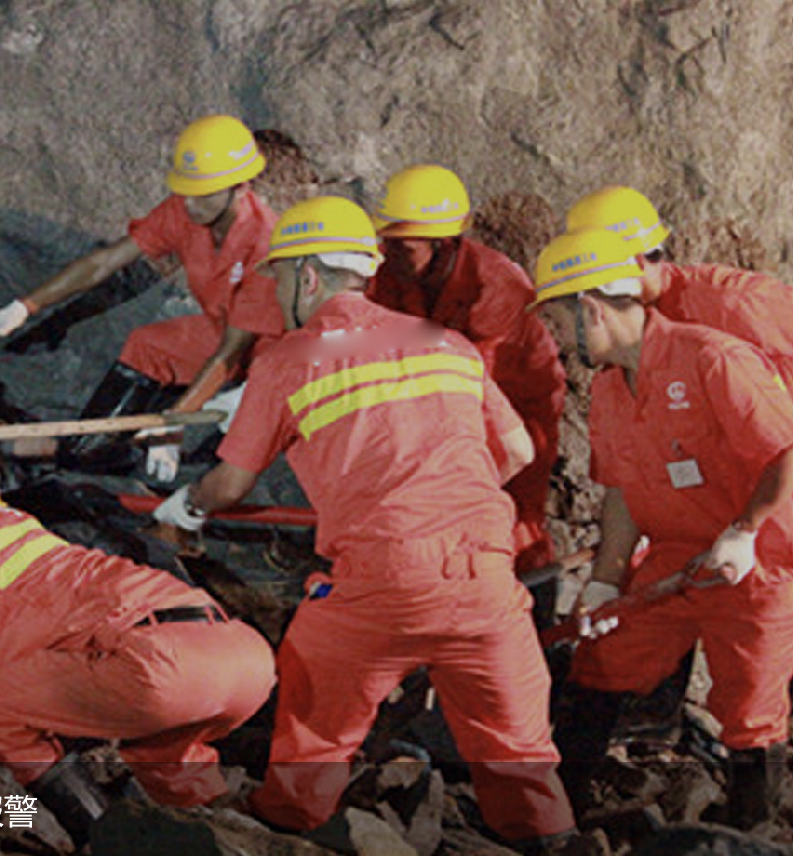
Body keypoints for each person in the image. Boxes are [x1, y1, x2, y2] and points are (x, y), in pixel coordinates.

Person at [155, 196, 587, 855]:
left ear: (307, 276)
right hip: (485, 579)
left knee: (315, 721)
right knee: (520, 753)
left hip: (380, 580)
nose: (278, 293)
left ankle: (287, 827)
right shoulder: (446, 343)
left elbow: (231, 483)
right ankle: (555, 843)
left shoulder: (289, 359)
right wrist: (443, 499)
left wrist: (183, 508)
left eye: (280, 277)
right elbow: (519, 452)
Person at [530, 228, 793, 828]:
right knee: (605, 660)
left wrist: (744, 530)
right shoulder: (610, 388)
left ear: (591, 308)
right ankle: (555, 816)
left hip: (762, 561)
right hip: (680, 553)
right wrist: (607, 582)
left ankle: (749, 832)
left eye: (559, 322)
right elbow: (622, 491)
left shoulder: (712, 358)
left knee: (750, 705)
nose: (558, 339)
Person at [0, 443, 275, 845]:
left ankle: (96, 838)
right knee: (163, 759)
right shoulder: (25, 536)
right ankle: (229, 837)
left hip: (164, 662)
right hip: (243, 659)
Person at [565, 185, 793, 574]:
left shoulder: (728, 301)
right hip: (730, 461)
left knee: (783, 570)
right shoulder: (631, 324)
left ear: (631, 260)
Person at [0, 114, 285, 481]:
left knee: (220, 443)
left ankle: (181, 473)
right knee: (147, 346)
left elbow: (231, 353)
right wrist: (25, 306)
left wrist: (175, 421)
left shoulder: (265, 246)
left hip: (272, 355)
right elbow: (105, 261)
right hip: (223, 330)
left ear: (241, 187)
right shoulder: (184, 211)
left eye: (204, 194)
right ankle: (89, 452)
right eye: (187, 191)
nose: (191, 205)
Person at [369, 164, 566, 573]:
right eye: (386, 241)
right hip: (438, 396)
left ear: (443, 244)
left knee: (513, 511)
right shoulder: (394, 272)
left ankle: (527, 587)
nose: (388, 254)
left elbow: (467, 391)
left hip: (516, 403)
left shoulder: (495, 287)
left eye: (402, 246)